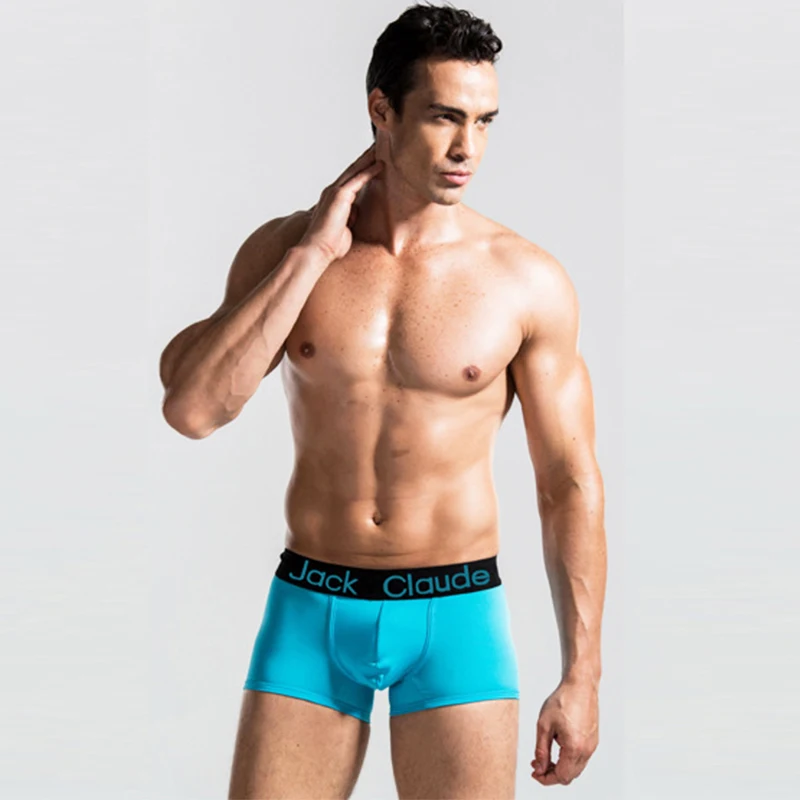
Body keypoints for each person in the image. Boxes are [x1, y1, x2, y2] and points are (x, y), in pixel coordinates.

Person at [159, 4, 607, 797]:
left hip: (455, 615)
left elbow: (568, 483)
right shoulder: (286, 250)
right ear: (382, 109)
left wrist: (583, 675)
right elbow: (194, 410)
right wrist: (313, 253)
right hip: (311, 606)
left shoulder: (523, 280)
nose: (468, 148)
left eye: (484, 121)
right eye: (443, 117)